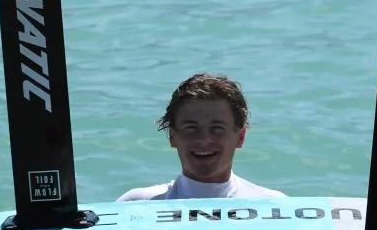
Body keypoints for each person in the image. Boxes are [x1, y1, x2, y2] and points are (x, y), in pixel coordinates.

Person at [117, 73, 286, 201]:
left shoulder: (273, 207)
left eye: (217, 129)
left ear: (240, 137)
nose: (204, 140)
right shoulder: (138, 204)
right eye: (191, 128)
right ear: (172, 136)